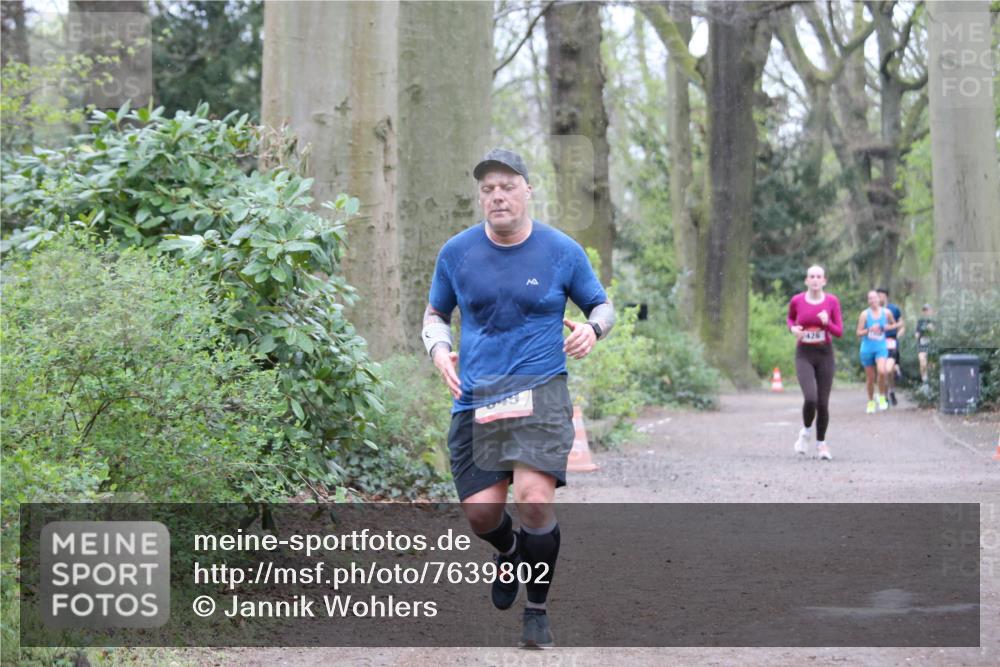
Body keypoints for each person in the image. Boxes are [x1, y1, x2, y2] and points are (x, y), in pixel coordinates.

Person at [422, 148, 615, 649]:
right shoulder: (456, 253)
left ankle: (537, 608)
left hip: (542, 392)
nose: (497, 196)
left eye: (507, 186)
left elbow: (602, 305)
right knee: (482, 515)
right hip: (477, 398)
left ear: (527, 190)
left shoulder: (561, 251)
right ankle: (507, 550)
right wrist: (440, 350)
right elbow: (435, 315)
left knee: (533, 500)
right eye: (487, 189)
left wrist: (594, 330)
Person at [787, 266, 843, 461]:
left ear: (824, 281)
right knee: (810, 398)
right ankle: (805, 432)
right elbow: (790, 319)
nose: (815, 280)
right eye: (812, 276)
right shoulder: (797, 300)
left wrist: (827, 323)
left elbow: (839, 331)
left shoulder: (831, 301)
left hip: (824, 353)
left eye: (819, 276)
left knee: (823, 403)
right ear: (806, 280)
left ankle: (821, 444)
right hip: (804, 354)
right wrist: (792, 329)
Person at [856, 290, 897, 413]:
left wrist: (886, 328)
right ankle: (870, 402)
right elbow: (858, 332)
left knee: (882, 371)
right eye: (870, 299)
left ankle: (882, 396)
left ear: (879, 300)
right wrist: (869, 330)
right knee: (870, 378)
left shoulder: (886, 312)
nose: (873, 301)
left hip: (881, 347)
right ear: (868, 301)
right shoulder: (864, 314)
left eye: (875, 298)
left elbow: (893, 325)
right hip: (867, 348)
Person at [876, 288, 904, 406]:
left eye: (880, 296)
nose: (879, 298)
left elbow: (902, 325)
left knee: (889, 370)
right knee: (883, 371)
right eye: (877, 296)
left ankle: (891, 391)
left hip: (891, 343)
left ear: (886, 296)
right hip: (878, 344)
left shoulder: (894, 309)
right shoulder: (874, 311)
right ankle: (885, 395)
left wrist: (897, 336)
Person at [915, 304, 935, 385]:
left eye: (928, 310)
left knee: (931, 364)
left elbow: (937, 333)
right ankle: (924, 381)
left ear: (931, 311)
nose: (926, 312)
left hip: (932, 345)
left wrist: (932, 329)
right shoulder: (920, 321)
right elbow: (916, 332)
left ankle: (932, 381)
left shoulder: (934, 321)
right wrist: (917, 335)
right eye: (925, 310)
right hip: (922, 343)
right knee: (922, 362)